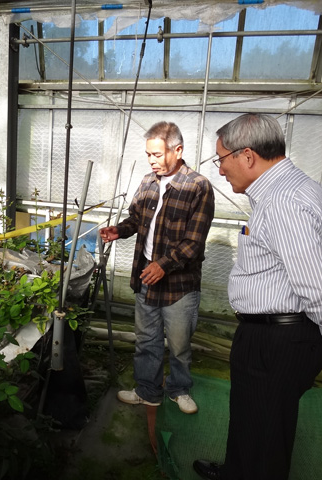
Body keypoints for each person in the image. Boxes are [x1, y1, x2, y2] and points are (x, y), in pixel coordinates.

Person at [193, 114, 322, 480]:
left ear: (248, 156)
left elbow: (315, 281)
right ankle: (237, 471)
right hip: (281, 334)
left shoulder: (283, 201)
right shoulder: (299, 189)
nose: (220, 169)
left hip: (277, 340)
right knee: (255, 420)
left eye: (221, 158)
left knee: (266, 432)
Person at [100, 121, 215, 414]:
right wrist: (120, 231)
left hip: (179, 285)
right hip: (147, 278)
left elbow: (194, 243)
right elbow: (137, 221)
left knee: (179, 345)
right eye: (148, 155)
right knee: (147, 341)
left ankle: (179, 389)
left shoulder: (198, 186)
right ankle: (148, 391)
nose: (152, 160)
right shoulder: (147, 182)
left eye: (157, 154)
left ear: (177, 150)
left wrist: (163, 266)